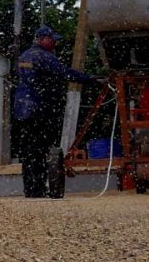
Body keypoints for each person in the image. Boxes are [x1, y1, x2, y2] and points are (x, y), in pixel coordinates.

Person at [12, 26, 97, 198]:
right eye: (53, 40)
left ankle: (31, 189)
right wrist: (91, 80)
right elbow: (64, 73)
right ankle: (38, 189)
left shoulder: (24, 56)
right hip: (39, 109)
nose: (55, 44)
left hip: (22, 109)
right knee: (40, 149)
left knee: (29, 151)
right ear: (44, 39)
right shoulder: (45, 57)